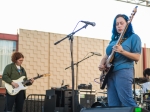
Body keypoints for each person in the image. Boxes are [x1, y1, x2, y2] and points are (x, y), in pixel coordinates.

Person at [98, 14, 141, 107]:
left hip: (124, 70)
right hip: (110, 73)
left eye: (121, 23)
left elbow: (137, 57)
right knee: (113, 104)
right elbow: (106, 56)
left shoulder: (134, 37)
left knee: (127, 101)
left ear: (127, 24)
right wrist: (102, 64)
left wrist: (122, 51)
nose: (119, 26)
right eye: (116, 24)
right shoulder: (113, 40)